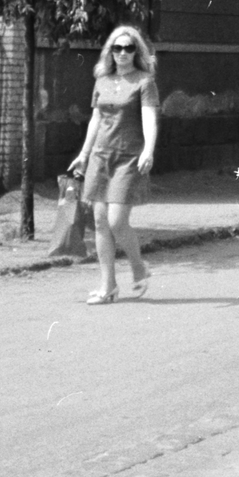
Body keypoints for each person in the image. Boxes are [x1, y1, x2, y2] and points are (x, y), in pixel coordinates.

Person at [69, 24, 159, 304]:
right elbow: (96, 119)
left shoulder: (144, 81)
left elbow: (149, 118)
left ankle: (138, 267)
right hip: (100, 156)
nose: (122, 53)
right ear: (110, 51)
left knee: (117, 220)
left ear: (136, 51)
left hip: (128, 157)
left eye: (129, 48)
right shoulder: (102, 80)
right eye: (117, 48)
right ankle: (108, 286)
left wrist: (149, 149)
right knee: (99, 221)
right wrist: (84, 154)